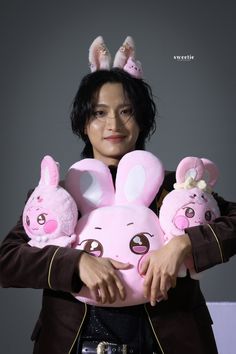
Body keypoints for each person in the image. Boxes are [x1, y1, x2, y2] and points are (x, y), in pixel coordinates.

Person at [1, 36, 236, 354]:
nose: (113, 124)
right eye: (99, 113)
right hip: (75, 345)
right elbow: (8, 259)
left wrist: (184, 245)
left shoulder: (175, 190)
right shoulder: (58, 196)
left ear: (141, 120)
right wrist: (75, 262)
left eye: (126, 111)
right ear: (84, 123)